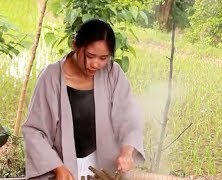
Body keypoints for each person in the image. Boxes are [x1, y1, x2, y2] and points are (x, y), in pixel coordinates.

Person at [22, 19, 145, 180]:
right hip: (60, 166)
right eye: (90, 56)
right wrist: (57, 167)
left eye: (103, 58)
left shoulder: (113, 74)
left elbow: (129, 118)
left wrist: (126, 151)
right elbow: (34, 131)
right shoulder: (51, 77)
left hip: (104, 169)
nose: (96, 64)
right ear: (75, 45)